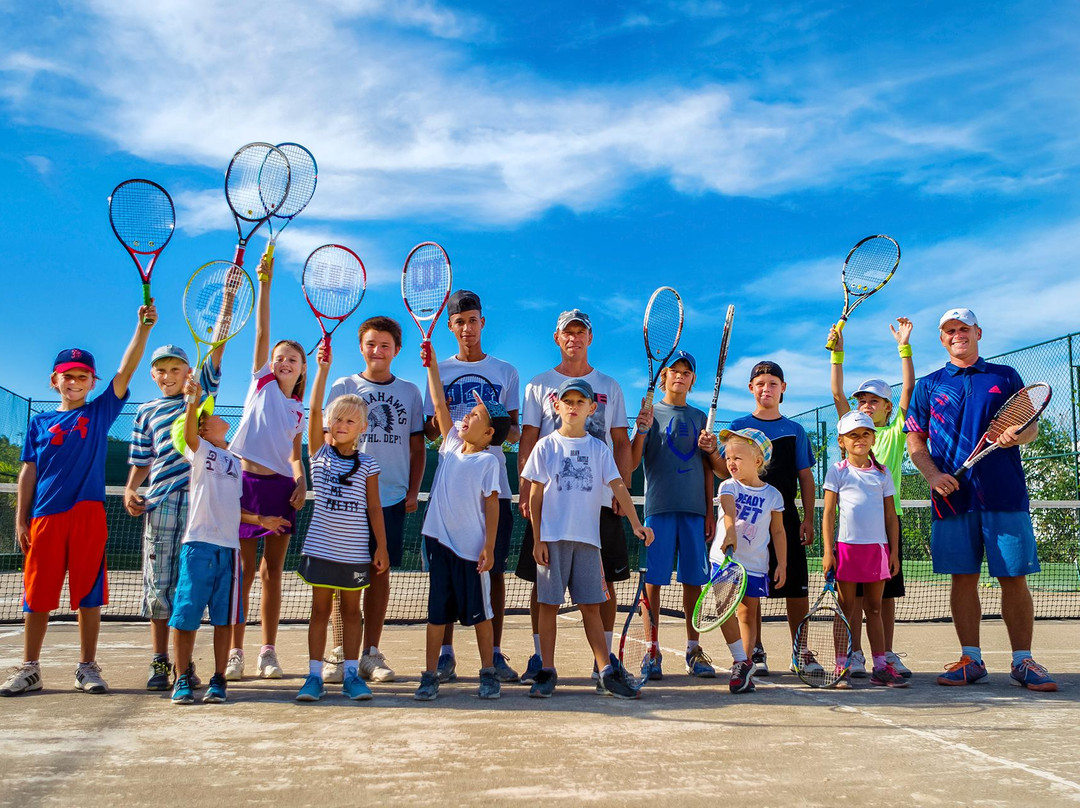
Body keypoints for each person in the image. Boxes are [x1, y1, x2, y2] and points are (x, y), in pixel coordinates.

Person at [2, 303, 156, 697]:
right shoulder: (39, 424)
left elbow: (126, 371)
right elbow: (28, 473)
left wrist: (141, 330)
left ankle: (87, 666)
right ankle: (30, 668)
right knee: (36, 597)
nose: (75, 381)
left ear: (92, 382)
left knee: (89, 595)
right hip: (45, 518)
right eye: (67, 376)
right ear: (54, 381)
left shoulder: (101, 412)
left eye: (83, 376)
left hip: (88, 516)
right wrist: (21, 519)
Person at [905, 308, 1056, 691]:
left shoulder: (1005, 376)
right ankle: (970, 658)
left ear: (978, 333)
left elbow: (1030, 427)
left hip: (1004, 495)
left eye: (964, 329)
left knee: (1013, 578)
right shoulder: (928, 384)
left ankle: (1023, 661)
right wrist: (933, 475)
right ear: (942, 339)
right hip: (952, 498)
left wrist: (1015, 437)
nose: (957, 335)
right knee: (962, 579)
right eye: (950, 330)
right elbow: (915, 439)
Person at [516, 309, 632, 686]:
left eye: (581, 332)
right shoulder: (538, 384)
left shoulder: (610, 386)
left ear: (589, 338)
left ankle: (604, 664)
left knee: (603, 587)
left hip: (598, 504)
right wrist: (524, 489)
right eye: (568, 332)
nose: (574, 338)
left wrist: (623, 489)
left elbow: (619, 441)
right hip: (550, 509)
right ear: (557, 338)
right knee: (542, 584)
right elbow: (528, 439)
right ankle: (541, 660)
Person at [521, 378, 653, 699]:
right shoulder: (546, 446)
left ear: (592, 409)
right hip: (552, 541)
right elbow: (535, 496)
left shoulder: (599, 448)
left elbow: (619, 485)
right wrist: (538, 540)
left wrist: (636, 523)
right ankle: (547, 671)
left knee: (592, 608)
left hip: (589, 543)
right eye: (568, 401)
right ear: (557, 407)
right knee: (548, 607)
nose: (573, 407)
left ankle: (606, 671)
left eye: (581, 402)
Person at [169, 376, 291, 705]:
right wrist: (193, 401)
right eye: (205, 418)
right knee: (187, 617)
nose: (214, 416)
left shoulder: (234, 463)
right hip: (198, 546)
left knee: (226, 618)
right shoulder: (201, 450)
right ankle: (181, 678)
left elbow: (235, 509)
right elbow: (190, 433)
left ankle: (219, 679)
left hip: (230, 550)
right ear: (202, 430)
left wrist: (260, 519)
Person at [421, 290, 521, 685]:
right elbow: (434, 427)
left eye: (473, 320)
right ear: (450, 326)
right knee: (442, 581)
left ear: (482, 323)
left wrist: (493, 433)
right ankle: (444, 657)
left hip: (491, 488)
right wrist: (450, 420)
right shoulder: (439, 369)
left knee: (492, 572)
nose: (467, 327)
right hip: (451, 492)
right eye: (459, 321)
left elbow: (512, 428)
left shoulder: (506, 372)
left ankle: (492, 656)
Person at [327, 316, 425, 683]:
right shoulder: (343, 385)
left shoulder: (410, 392)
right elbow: (328, 440)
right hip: (348, 499)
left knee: (379, 574)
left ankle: (370, 653)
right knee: (341, 578)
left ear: (397, 350)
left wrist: (413, 490)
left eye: (385, 345)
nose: (378, 351)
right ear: (361, 347)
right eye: (371, 344)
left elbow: (418, 447)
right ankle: (340, 653)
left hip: (392, 497)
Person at [126, 342, 227, 691]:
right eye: (161, 370)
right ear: (153, 375)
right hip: (160, 507)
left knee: (191, 586)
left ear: (188, 372)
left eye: (175, 369)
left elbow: (216, 354)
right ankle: (160, 661)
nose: (168, 376)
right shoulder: (145, 412)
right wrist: (129, 489)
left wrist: (228, 301)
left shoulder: (202, 398)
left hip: (199, 506)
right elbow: (142, 460)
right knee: (159, 587)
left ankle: (184, 664)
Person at [225, 256, 307, 681]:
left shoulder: (299, 410)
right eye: (279, 357)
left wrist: (301, 479)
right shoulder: (260, 383)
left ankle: (267, 652)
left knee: (271, 572)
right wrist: (266, 285)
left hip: (280, 490)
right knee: (242, 572)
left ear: (302, 368)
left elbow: (295, 454)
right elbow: (261, 331)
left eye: (292, 358)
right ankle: (235, 651)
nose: (283, 361)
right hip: (244, 485)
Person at [294, 342, 388, 703]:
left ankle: (352, 674)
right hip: (321, 549)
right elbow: (315, 406)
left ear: (363, 426)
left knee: (352, 612)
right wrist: (321, 368)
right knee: (320, 610)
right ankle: (314, 675)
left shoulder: (368, 465)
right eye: (338, 420)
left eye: (351, 420)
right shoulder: (318, 452)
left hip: (355, 552)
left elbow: (375, 510)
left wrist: (380, 547)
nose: (343, 424)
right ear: (328, 425)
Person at [827, 317, 914, 678]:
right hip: (851, 539)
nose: (864, 404)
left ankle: (886, 655)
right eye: (860, 400)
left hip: (882, 535)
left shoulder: (893, 433)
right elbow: (836, 394)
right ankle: (854, 655)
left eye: (872, 401)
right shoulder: (848, 439)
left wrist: (904, 347)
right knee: (852, 603)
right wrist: (838, 353)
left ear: (887, 408)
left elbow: (908, 386)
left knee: (884, 602)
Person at [723, 361, 816, 677]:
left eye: (773, 383)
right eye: (760, 383)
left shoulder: (795, 430)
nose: (767, 388)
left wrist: (808, 519)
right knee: (750, 590)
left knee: (796, 590)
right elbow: (728, 473)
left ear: (783, 389)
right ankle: (755, 652)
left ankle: (799, 653)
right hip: (749, 519)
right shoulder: (738, 427)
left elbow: (805, 477)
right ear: (751, 388)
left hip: (786, 518)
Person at [631, 350, 717, 679]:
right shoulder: (651, 413)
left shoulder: (699, 418)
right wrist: (640, 429)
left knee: (694, 581)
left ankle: (693, 650)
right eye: (674, 370)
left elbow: (709, 469)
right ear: (664, 376)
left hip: (695, 512)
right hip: (659, 511)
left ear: (693, 380)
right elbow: (634, 462)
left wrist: (709, 510)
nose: (680, 375)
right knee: (652, 582)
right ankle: (651, 650)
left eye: (686, 371)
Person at [822, 411, 905, 688]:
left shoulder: (883, 473)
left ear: (873, 438)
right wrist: (828, 551)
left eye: (865, 434)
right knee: (846, 609)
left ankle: (881, 666)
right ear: (842, 441)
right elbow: (829, 513)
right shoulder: (837, 470)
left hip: (877, 551)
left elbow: (891, 517)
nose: (860, 439)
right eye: (853, 435)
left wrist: (893, 552)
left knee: (875, 609)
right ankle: (841, 666)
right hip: (847, 550)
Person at [712, 427, 786, 694]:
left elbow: (778, 531)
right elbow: (729, 511)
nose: (730, 463)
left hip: (754, 565)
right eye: (728, 457)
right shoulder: (727, 485)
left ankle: (743, 664)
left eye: (737, 458)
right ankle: (740, 660)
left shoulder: (773, 495)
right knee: (723, 611)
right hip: (724, 560)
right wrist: (729, 531)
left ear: (757, 461)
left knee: (747, 612)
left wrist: (782, 564)